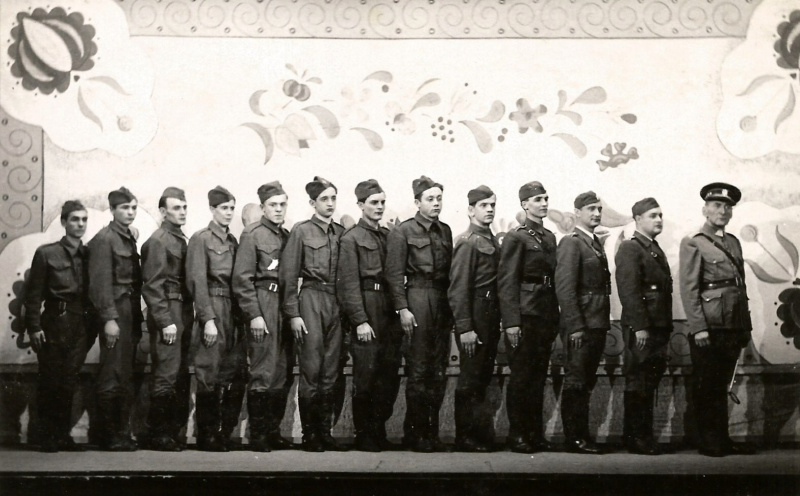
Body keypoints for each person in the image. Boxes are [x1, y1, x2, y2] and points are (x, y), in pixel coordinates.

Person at [679, 182, 755, 457]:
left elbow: (740, 287)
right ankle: (709, 441)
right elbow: (689, 289)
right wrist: (699, 328)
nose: (722, 211)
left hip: (732, 325)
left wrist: (744, 326)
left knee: (721, 383)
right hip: (709, 326)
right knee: (707, 384)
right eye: (716, 205)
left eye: (727, 207)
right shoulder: (694, 241)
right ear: (705, 209)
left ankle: (721, 438)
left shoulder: (733, 242)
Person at [385, 175, 453, 453]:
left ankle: (431, 433)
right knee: (419, 370)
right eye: (430, 199)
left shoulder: (445, 230)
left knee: (438, 370)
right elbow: (393, 274)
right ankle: (414, 433)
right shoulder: (403, 231)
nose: (436, 203)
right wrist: (402, 308)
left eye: (439, 198)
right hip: (417, 298)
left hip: (441, 300)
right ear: (417, 202)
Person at [280, 176, 346, 452]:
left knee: (331, 370)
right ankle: (310, 435)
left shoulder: (341, 232)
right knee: (312, 368)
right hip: (310, 299)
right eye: (324, 199)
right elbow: (288, 274)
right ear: (312, 203)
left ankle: (324, 431)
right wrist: (294, 313)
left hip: (335, 301)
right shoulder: (302, 231)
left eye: (333, 198)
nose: (330, 204)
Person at [337, 179, 402, 452]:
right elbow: (348, 283)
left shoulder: (388, 236)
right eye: (374, 202)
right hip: (367, 306)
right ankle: (364, 434)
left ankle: (378, 429)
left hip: (388, 309)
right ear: (361, 205)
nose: (379, 207)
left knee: (388, 374)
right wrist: (360, 320)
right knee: (366, 374)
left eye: (382, 202)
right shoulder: (351, 238)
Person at [497, 181, 560, 453]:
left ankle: (535, 433)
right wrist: (511, 322)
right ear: (524, 204)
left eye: (545, 198)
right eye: (537, 200)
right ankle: (518, 434)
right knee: (522, 377)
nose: (543, 203)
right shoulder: (517, 237)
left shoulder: (550, 237)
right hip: (525, 315)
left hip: (544, 314)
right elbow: (507, 281)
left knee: (538, 377)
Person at [24, 201, 91, 452]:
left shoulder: (89, 254)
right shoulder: (47, 253)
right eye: (75, 219)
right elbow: (33, 295)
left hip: (79, 323)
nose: (80, 224)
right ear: (64, 222)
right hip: (54, 321)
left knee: (69, 380)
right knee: (51, 380)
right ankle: (46, 436)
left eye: (84, 219)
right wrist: (34, 327)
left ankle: (62, 435)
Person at [233, 181, 294, 452]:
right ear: (262, 207)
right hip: (263, 302)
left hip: (284, 303)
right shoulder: (252, 234)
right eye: (273, 205)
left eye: (282, 204)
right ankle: (258, 434)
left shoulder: (287, 236)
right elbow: (242, 280)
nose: (278, 209)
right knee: (262, 369)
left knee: (281, 370)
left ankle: (272, 431)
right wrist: (255, 315)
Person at [187, 186, 248, 451]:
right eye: (224, 208)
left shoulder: (233, 241)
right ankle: (207, 435)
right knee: (208, 372)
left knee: (231, 372)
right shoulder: (201, 239)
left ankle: (223, 433)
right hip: (213, 306)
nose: (229, 213)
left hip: (232, 310)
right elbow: (197, 281)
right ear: (212, 209)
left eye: (232, 208)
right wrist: (208, 319)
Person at [615, 198, 673, 455]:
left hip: (657, 326)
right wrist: (639, 327)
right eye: (653, 215)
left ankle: (641, 436)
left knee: (648, 382)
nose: (659, 220)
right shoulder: (631, 248)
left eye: (660, 215)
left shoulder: (653, 248)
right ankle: (636, 438)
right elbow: (629, 291)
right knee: (638, 381)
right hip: (643, 328)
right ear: (638, 219)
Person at [555, 191, 611, 455]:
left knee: (586, 380)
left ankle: (582, 435)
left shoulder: (594, 243)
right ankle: (575, 438)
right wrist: (575, 326)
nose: (596, 214)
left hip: (596, 322)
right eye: (591, 209)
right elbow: (565, 289)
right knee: (576, 380)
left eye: (599, 209)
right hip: (581, 326)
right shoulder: (572, 243)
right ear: (577, 213)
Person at [88, 187, 142, 451]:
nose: (130, 212)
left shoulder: (128, 237)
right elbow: (100, 284)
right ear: (112, 210)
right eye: (124, 208)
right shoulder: (105, 239)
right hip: (116, 311)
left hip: (129, 310)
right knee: (111, 372)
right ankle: (107, 435)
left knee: (124, 372)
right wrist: (109, 319)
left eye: (133, 208)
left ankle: (118, 432)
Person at [447, 185, 500, 453]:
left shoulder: (491, 240)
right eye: (483, 205)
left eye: (492, 205)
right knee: (470, 378)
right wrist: (465, 328)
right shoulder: (467, 242)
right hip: (475, 315)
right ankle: (465, 437)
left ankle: (480, 435)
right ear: (470, 210)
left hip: (490, 314)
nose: (489, 210)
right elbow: (458, 289)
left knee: (482, 377)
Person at [141, 187, 193, 451]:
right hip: (169, 310)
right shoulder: (158, 241)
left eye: (184, 207)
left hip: (182, 310)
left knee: (179, 372)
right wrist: (164, 320)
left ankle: (172, 432)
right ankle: (158, 434)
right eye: (176, 208)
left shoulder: (181, 239)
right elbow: (152, 286)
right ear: (163, 211)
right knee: (166, 372)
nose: (182, 212)